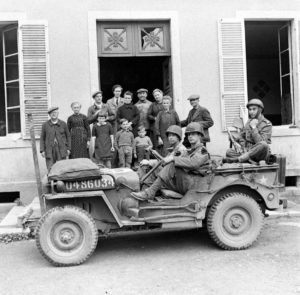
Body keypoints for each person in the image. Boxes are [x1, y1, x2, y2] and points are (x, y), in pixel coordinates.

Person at [131, 122, 210, 201]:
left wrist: (173, 158)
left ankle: (150, 192)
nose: (190, 136)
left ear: (200, 135)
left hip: (194, 184)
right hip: (184, 182)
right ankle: (146, 191)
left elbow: (194, 163)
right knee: (160, 167)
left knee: (172, 164)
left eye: (193, 134)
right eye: (189, 134)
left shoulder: (202, 151)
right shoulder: (191, 151)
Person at [224, 98, 272, 163]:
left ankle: (240, 159)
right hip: (247, 152)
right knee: (229, 151)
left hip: (260, 155)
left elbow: (260, 142)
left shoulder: (267, 124)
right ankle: (246, 159)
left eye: (254, 109)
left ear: (260, 110)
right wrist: (235, 139)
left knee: (263, 144)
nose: (251, 112)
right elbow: (242, 136)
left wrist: (254, 127)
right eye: (250, 109)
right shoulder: (248, 122)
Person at [40, 106, 71, 171]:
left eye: (55, 112)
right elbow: (42, 138)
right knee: (50, 167)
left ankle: (61, 180)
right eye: (52, 113)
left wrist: (68, 148)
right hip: (49, 148)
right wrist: (42, 150)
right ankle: (52, 180)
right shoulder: (45, 125)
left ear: (58, 113)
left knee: (62, 166)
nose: (54, 114)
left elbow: (68, 136)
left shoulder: (63, 124)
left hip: (61, 148)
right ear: (49, 115)